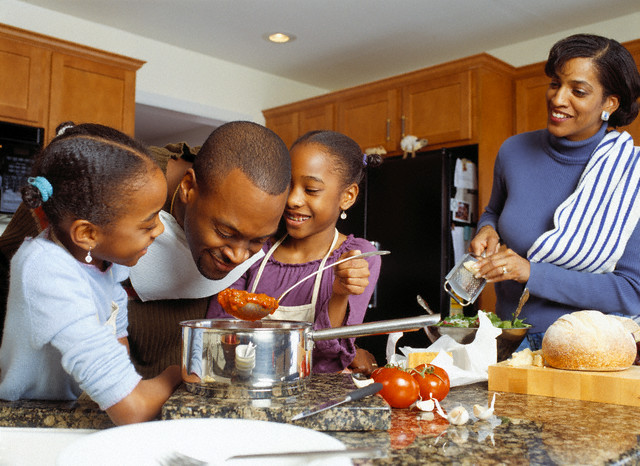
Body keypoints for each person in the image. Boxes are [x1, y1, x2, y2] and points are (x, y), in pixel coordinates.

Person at [0, 122, 182, 425]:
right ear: (86, 232)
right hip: (21, 424)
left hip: (65, 411)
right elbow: (132, 409)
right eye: (148, 223)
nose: (160, 230)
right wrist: (174, 374)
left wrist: (123, 386)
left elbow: (117, 341)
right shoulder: (46, 269)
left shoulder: (103, 260)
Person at [470, 34, 640, 350]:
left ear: (609, 103)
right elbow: (493, 210)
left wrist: (531, 272)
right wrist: (487, 229)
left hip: (587, 346)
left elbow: (630, 291)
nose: (558, 99)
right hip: (506, 335)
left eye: (578, 91)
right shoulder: (514, 150)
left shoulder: (632, 176)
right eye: (554, 84)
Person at [207, 130, 383, 374]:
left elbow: (328, 358)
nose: (292, 199)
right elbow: (216, 335)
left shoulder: (357, 256)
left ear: (348, 196)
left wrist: (340, 294)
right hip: (245, 385)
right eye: (288, 184)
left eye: (310, 190)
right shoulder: (257, 246)